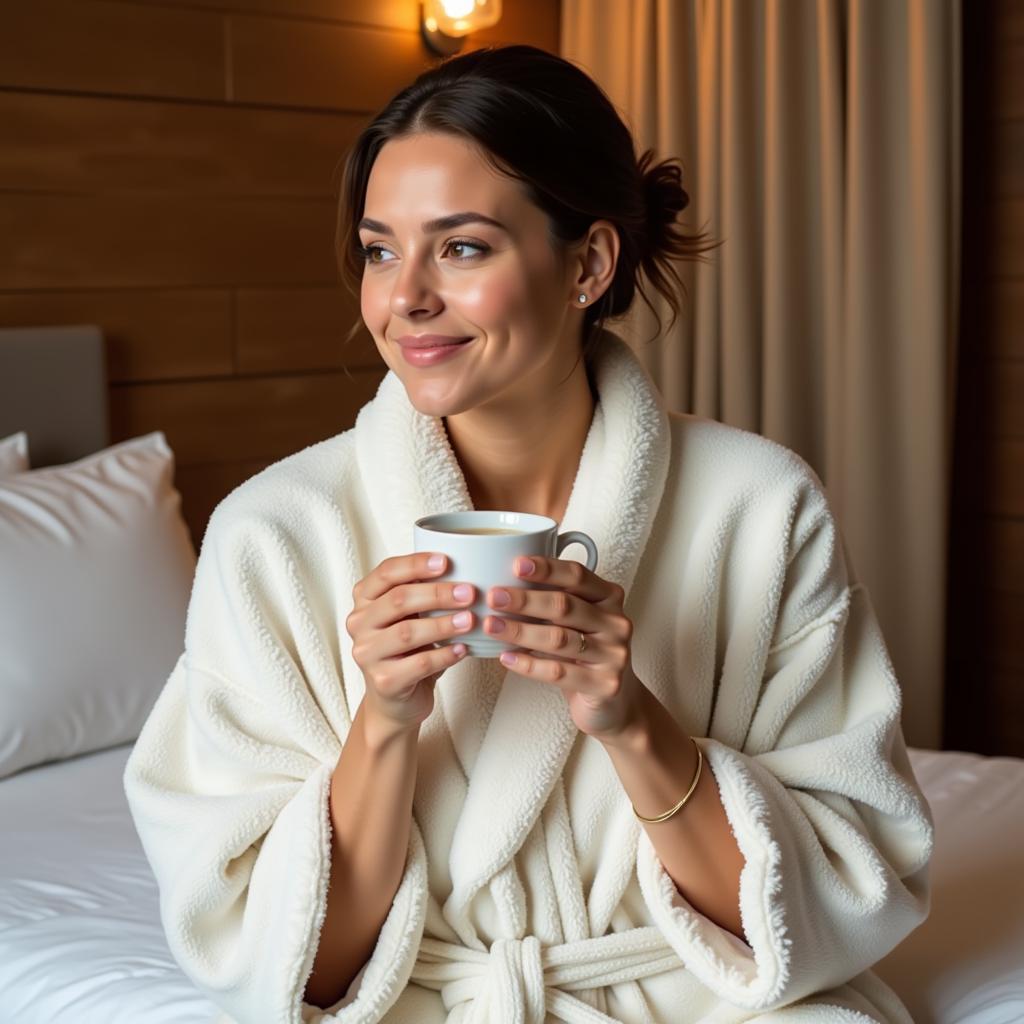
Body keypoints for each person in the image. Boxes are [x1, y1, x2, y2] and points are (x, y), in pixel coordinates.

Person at [124, 44, 934, 1024]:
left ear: (587, 263)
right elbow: (297, 967)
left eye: (460, 247)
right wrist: (383, 718)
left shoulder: (760, 506)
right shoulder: (273, 535)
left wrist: (631, 719)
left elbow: (827, 904)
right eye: (380, 249)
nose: (403, 296)